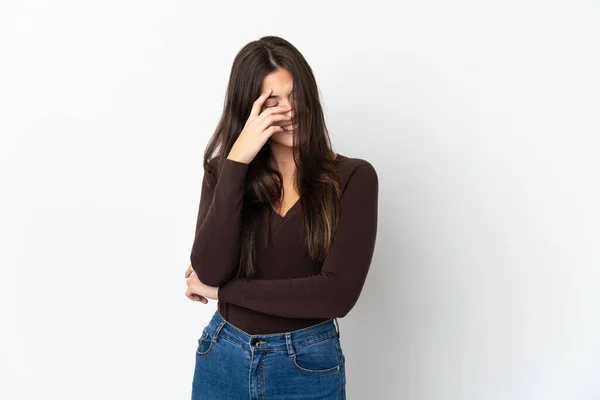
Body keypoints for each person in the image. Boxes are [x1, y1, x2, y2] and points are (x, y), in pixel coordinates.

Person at [184, 35, 378, 400]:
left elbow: (336, 295)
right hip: (223, 355)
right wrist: (236, 160)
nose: (290, 111)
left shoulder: (353, 178)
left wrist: (223, 292)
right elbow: (208, 269)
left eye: (295, 95)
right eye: (271, 102)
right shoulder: (222, 173)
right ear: (248, 111)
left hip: (306, 364)